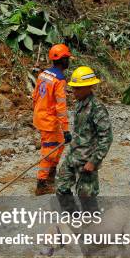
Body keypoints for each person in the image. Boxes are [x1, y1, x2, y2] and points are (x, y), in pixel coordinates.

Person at [55, 66, 113, 213]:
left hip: (87, 160)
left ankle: (93, 226)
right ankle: (73, 216)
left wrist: (94, 161)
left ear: (89, 87)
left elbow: (106, 137)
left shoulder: (97, 108)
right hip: (74, 156)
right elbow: (82, 131)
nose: (74, 92)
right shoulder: (80, 103)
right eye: (74, 88)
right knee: (61, 186)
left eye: (78, 89)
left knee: (86, 196)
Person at [32, 44, 72, 195]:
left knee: (59, 144)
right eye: (67, 59)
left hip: (41, 117)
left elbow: (35, 96)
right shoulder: (59, 80)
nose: (68, 61)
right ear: (62, 61)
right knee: (48, 151)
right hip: (48, 121)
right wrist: (66, 129)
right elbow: (61, 107)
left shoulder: (43, 74)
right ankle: (41, 184)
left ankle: (50, 175)